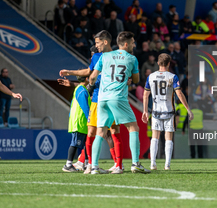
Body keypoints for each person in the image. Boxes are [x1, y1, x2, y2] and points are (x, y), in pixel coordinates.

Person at [90, 31, 150, 174]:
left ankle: (94, 167)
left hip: (102, 99)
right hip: (118, 98)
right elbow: (135, 80)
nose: (134, 45)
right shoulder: (132, 59)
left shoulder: (105, 56)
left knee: (100, 132)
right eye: (133, 42)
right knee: (133, 128)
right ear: (126, 44)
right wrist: (127, 79)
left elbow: (92, 78)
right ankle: (135, 163)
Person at [59, 35, 121, 174]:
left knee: (97, 133)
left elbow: (89, 78)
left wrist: (70, 73)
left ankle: (91, 164)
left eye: (97, 44)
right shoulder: (115, 57)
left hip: (101, 100)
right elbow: (88, 84)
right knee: (106, 133)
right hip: (110, 98)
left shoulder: (99, 57)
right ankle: (96, 164)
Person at [142, 53, 193, 170]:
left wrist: (145, 110)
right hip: (169, 111)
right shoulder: (172, 77)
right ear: (169, 64)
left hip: (155, 111)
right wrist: (188, 109)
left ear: (158, 63)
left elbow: (145, 94)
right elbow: (179, 93)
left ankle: (152, 164)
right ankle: (167, 165)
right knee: (168, 138)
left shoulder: (151, 76)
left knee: (154, 137)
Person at [62, 75, 91, 172]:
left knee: (86, 143)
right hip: (79, 122)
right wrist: (89, 118)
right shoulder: (82, 90)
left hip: (80, 122)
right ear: (86, 79)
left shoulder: (80, 89)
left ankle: (86, 164)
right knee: (74, 143)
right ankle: (68, 165)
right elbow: (85, 107)